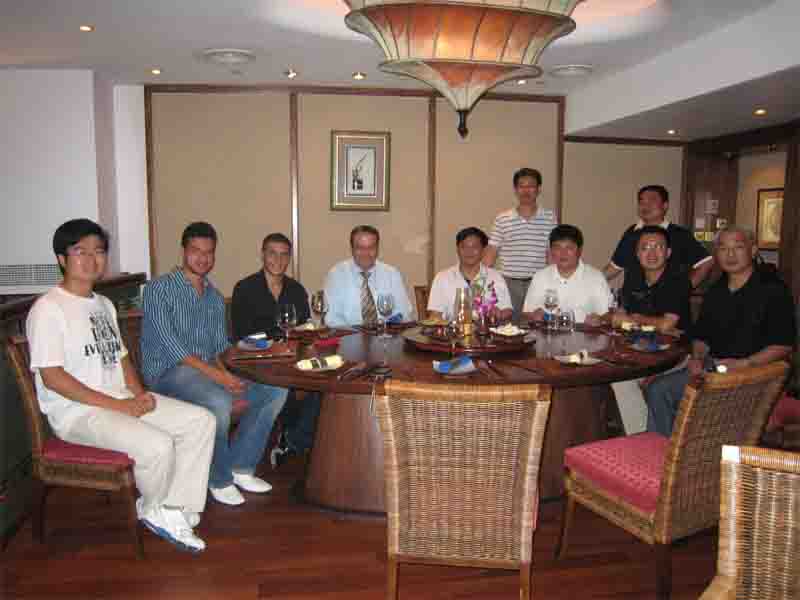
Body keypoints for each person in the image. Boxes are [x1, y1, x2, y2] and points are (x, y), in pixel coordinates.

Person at [26, 219, 215, 553]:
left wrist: (139, 395)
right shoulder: (48, 309)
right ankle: (153, 508)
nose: (91, 259)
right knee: (157, 446)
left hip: (119, 400)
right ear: (61, 259)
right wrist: (121, 406)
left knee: (201, 421)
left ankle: (175, 507)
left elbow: (121, 357)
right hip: (78, 414)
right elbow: (53, 378)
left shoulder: (104, 304)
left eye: (98, 251)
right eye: (80, 251)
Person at [140, 222, 288, 507]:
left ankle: (241, 467)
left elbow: (220, 349)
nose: (203, 258)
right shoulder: (158, 289)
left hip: (205, 375)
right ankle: (218, 479)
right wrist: (220, 379)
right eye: (196, 250)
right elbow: (173, 348)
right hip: (167, 374)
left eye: (209, 252)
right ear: (183, 251)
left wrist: (229, 375)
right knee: (218, 400)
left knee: (274, 390)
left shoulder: (215, 298)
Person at [646, 225, 796, 436]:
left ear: (753, 250)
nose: (730, 254)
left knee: (707, 404)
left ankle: (700, 450)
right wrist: (697, 358)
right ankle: (664, 451)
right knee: (659, 390)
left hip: (755, 373)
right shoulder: (716, 291)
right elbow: (702, 337)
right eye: (723, 248)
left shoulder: (774, 290)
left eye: (738, 247)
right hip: (715, 368)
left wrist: (745, 363)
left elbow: (783, 346)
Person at [230, 232, 320, 468]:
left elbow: (304, 328)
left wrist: (306, 342)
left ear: (289, 258)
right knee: (286, 387)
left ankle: (292, 440)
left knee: (321, 384)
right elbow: (240, 337)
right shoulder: (245, 288)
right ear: (263, 255)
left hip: (290, 358)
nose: (278, 260)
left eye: (284, 255)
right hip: (255, 362)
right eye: (272, 253)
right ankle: (286, 435)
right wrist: (272, 345)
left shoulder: (296, 290)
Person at [610, 225, 692, 434]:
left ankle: (648, 437)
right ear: (637, 253)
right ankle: (642, 436)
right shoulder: (634, 277)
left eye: (658, 247)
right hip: (639, 352)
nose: (652, 253)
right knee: (617, 380)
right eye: (645, 247)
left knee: (624, 380)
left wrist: (636, 319)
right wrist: (634, 321)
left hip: (673, 357)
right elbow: (619, 318)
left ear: (668, 252)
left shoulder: (678, 279)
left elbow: (667, 325)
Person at [483, 167, 557, 324]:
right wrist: (481, 280)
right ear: (515, 190)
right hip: (508, 283)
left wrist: (553, 281)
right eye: (521, 186)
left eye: (531, 186)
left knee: (536, 327)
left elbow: (551, 253)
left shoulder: (549, 217)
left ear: (538, 189)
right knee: (507, 328)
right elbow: (491, 252)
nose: (526, 190)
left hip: (537, 283)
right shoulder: (502, 218)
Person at [602, 184, 712, 289]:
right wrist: (593, 280)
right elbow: (614, 267)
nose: (645, 206)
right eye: (641, 202)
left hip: (668, 300)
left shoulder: (680, 234)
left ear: (665, 206)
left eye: (651, 201)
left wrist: (684, 289)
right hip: (633, 298)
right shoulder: (632, 232)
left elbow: (705, 262)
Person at [324, 225, 413, 328]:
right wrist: (357, 334)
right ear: (352, 249)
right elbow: (332, 318)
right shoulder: (336, 275)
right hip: (348, 335)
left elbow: (404, 312)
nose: (366, 253)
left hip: (386, 334)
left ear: (377, 249)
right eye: (360, 248)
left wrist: (387, 329)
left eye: (371, 247)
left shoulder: (392, 274)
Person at [522, 224, 611, 325]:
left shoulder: (596, 277)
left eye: (569, 248)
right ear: (551, 251)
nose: (563, 253)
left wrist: (599, 319)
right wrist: (534, 315)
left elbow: (607, 316)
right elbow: (526, 313)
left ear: (580, 250)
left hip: (583, 333)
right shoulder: (540, 276)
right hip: (548, 332)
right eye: (557, 248)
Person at [427, 227, 512, 322]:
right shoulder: (442, 277)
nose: (469, 251)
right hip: (452, 329)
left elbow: (507, 310)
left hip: (486, 329)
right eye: (464, 247)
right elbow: (435, 314)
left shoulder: (495, 276)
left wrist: (499, 313)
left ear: (483, 250)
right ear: (457, 249)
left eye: (475, 247)